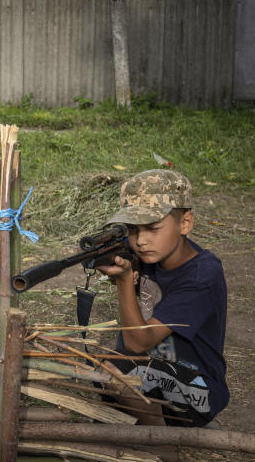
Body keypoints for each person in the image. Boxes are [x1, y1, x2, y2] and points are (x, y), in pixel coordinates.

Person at [97, 169, 228, 430]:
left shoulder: (202, 275)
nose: (141, 241)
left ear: (185, 223)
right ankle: (156, 423)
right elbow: (92, 247)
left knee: (114, 370)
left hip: (200, 391)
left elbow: (137, 343)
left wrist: (124, 281)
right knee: (98, 368)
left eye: (153, 228)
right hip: (155, 375)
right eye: (133, 230)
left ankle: (161, 447)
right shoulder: (147, 252)